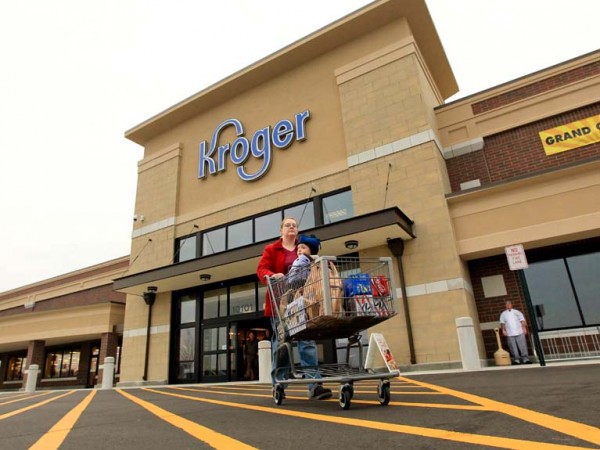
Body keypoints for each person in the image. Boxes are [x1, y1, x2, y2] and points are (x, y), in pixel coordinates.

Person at [256, 217, 332, 400]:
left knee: (307, 341)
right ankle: (279, 383)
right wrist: (273, 275)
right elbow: (261, 269)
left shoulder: (303, 247)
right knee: (282, 345)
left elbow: (314, 264)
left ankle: (314, 385)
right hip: (280, 304)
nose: (291, 227)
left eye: (294, 225)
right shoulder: (272, 249)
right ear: (281, 230)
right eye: (287, 225)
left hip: (303, 302)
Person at [499, 300, 531, 365]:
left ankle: (525, 359)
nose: (508, 305)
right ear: (505, 306)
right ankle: (516, 360)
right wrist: (503, 330)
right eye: (506, 304)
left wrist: (524, 328)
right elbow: (502, 323)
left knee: (522, 345)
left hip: (519, 331)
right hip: (510, 333)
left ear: (511, 305)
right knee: (512, 347)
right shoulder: (503, 314)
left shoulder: (517, 312)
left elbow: (522, 321)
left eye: (509, 304)